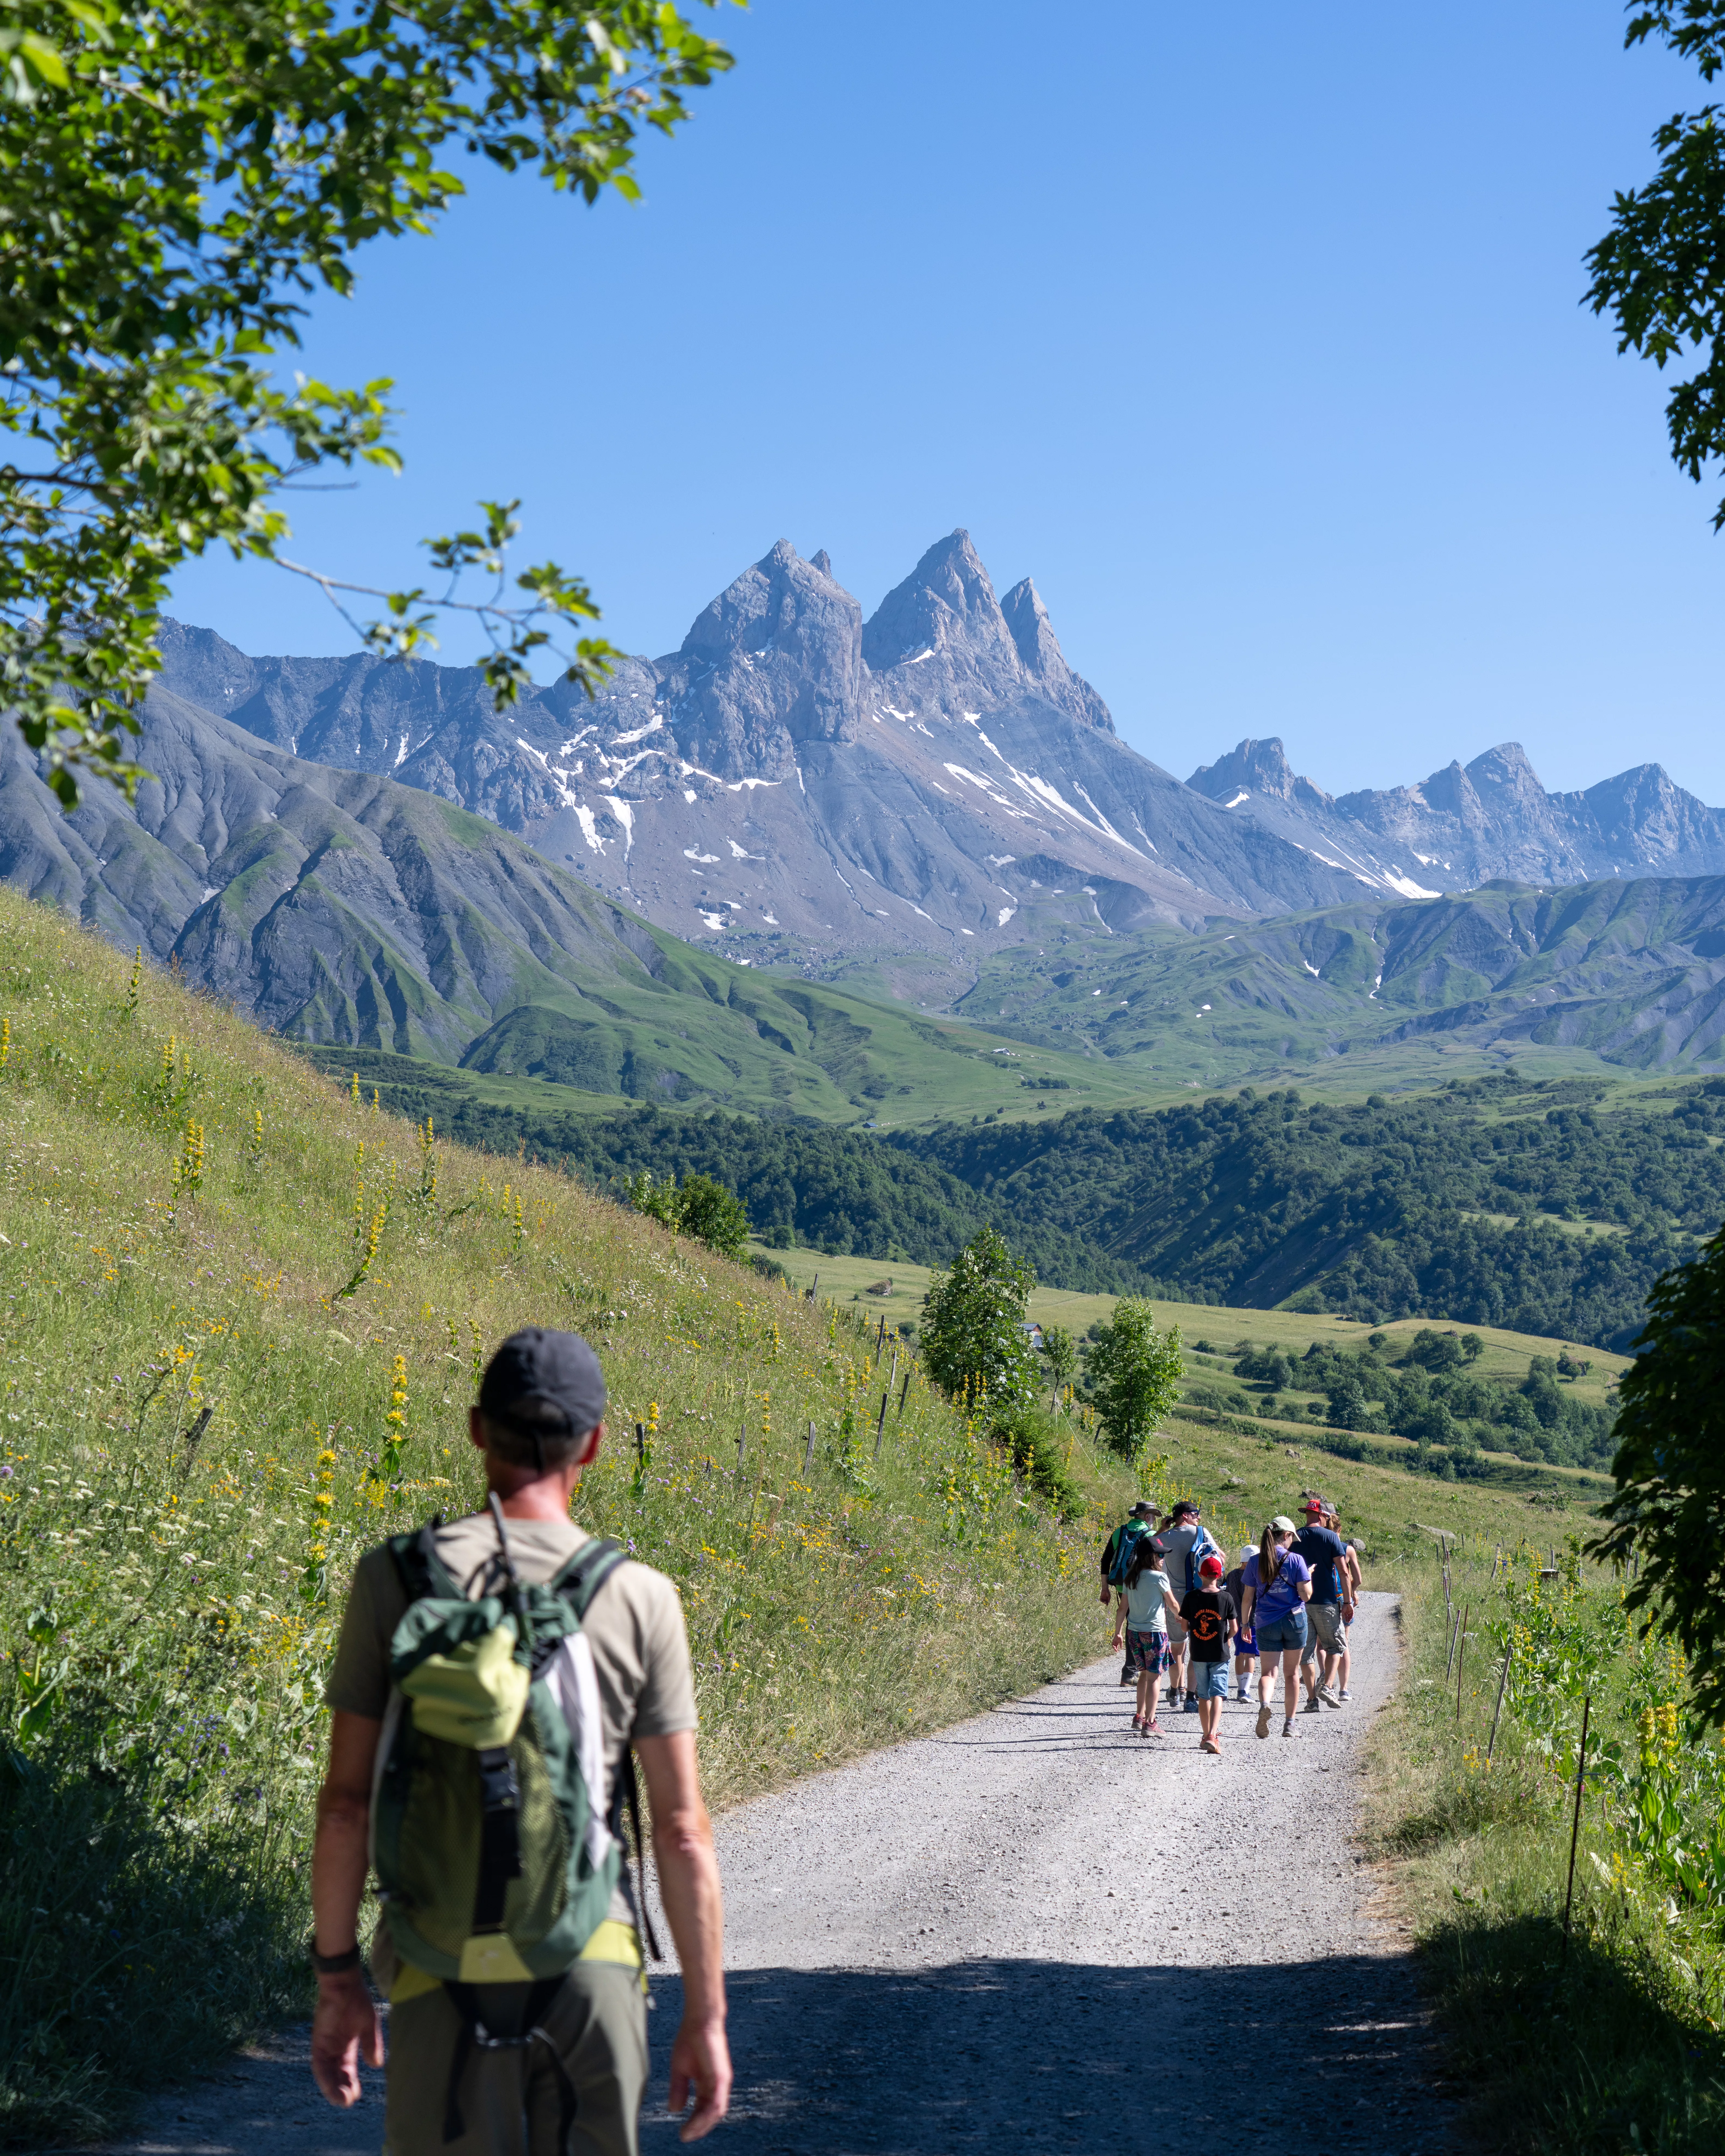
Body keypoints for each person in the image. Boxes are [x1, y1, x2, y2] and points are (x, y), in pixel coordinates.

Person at [311, 1326, 732, 2154]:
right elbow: (683, 1832)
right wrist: (708, 2016)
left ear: (477, 1430)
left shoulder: (393, 1579)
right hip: (590, 1966)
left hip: (437, 1969)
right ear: (598, 1445)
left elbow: (346, 1808)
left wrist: (337, 1978)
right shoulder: (640, 1596)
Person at [1238, 1517, 1313, 1740]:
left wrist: (1245, 1624)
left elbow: (1247, 1598)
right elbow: (1306, 1596)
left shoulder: (1255, 1561)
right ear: (1287, 1536)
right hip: (1294, 1620)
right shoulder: (1296, 1560)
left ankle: (1265, 1704)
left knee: (1269, 1673)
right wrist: (1309, 1576)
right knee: (1291, 1674)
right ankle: (1290, 1724)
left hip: (1265, 1621)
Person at [1110, 1531, 1182, 1737]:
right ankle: (1150, 1723)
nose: (1163, 1559)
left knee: (1143, 1675)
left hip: (1134, 1633)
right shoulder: (1160, 1578)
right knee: (1155, 1677)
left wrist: (1118, 1634)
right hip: (1155, 1634)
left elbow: (1122, 1609)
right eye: (1160, 1556)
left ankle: (1139, 1716)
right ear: (1151, 1557)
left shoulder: (1130, 1578)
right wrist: (1181, 1618)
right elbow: (1173, 1604)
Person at [1156, 1500, 1222, 1713]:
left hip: (1175, 1600)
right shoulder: (1201, 1532)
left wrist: (1163, 1528)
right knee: (1197, 1648)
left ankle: (1176, 1689)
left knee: (1177, 1648)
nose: (1198, 1517)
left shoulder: (1164, 1538)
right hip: (1200, 1597)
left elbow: (1145, 1548)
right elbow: (1220, 1559)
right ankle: (1192, 1697)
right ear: (1185, 1516)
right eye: (1195, 1513)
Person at [1292, 1496, 1350, 1714]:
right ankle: (1327, 1687)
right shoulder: (1331, 1537)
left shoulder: (1295, 1537)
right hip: (1326, 1601)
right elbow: (1344, 1572)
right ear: (1322, 1516)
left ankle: (1311, 1700)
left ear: (1307, 1515)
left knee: (1305, 1654)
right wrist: (1347, 1601)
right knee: (1336, 1646)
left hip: (1300, 1602)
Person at [1178, 1553, 1238, 1754]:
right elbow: (1235, 1629)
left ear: (1199, 1574)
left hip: (1199, 1653)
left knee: (1203, 1696)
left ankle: (1206, 1735)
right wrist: (1225, 1638)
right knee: (1218, 1694)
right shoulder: (1226, 1597)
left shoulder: (1191, 1597)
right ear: (1220, 1575)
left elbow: (1185, 1628)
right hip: (1220, 1653)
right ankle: (1213, 1735)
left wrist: (1191, 1627)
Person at [1100, 1500, 1162, 1687]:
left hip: (1122, 1586)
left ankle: (1130, 1672)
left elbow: (1106, 1560)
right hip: (1143, 1587)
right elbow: (1160, 1558)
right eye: (1154, 1518)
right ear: (1148, 1517)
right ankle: (1132, 1672)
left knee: (1130, 1623)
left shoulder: (1120, 1531)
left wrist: (1105, 1588)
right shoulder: (1150, 1533)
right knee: (1142, 1626)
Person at [1329, 1508, 1364, 1701]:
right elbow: (1358, 1578)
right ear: (1340, 1530)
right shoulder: (1348, 1549)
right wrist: (1351, 1592)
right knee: (1344, 1644)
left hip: (1324, 1600)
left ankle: (1328, 1683)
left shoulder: (1322, 1548)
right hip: (1344, 1600)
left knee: (1323, 1645)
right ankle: (1344, 1689)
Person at [1225, 1544, 1259, 1703]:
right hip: (1251, 1620)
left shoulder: (1231, 1576)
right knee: (1250, 1654)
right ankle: (1245, 1691)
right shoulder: (1255, 1575)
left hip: (1235, 1621)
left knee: (1240, 1653)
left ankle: (1240, 1688)